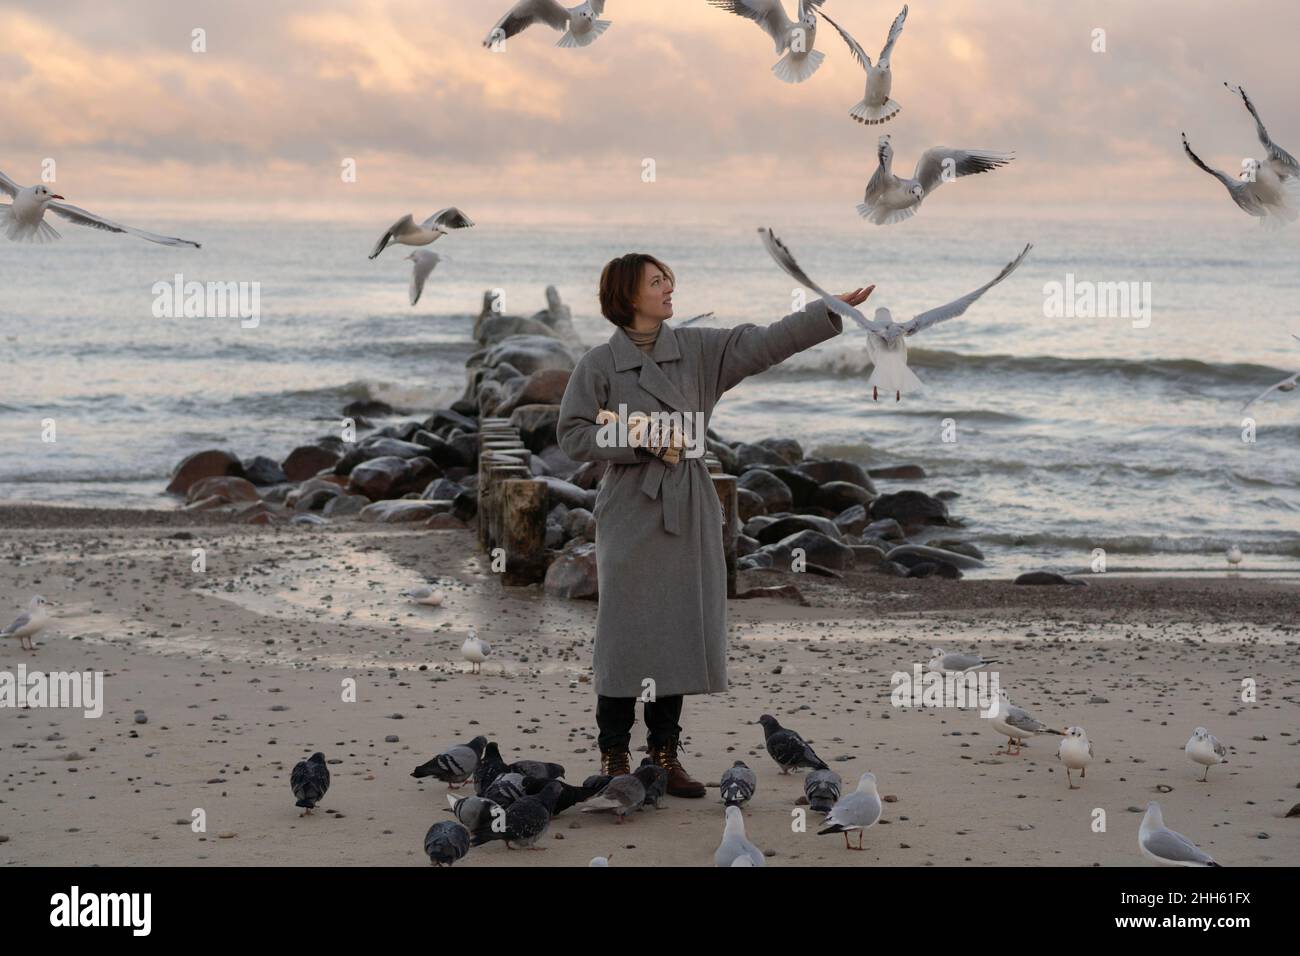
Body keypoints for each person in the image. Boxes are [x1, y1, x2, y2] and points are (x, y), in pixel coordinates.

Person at [556, 252, 872, 796]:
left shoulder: (700, 351)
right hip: (631, 507)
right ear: (629, 296)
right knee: (626, 635)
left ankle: (662, 755)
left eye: (669, 279)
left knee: (675, 630)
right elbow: (572, 435)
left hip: (688, 504)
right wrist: (637, 441)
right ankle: (613, 756)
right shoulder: (598, 365)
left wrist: (826, 311)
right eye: (657, 282)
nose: (669, 289)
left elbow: (764, 342)